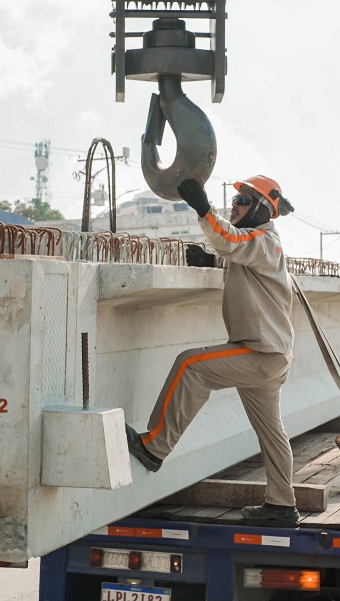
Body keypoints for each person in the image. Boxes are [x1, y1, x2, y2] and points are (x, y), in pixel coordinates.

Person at [125, 175, 299, 525]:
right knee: (272, 433)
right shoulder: (262, 247)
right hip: (270, 355)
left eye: (243, 202)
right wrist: (212, 262)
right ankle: (283, 505)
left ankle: (154, 447)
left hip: (260, 353)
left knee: (192, 366)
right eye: (234, 202)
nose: (234, 206)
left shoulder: (264, 241)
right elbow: (240, 260)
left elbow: (232, 241)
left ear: (263, 208)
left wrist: (204, 209)